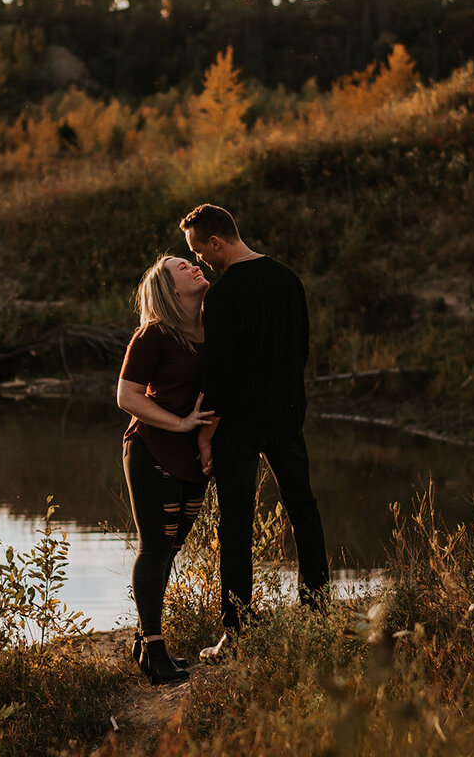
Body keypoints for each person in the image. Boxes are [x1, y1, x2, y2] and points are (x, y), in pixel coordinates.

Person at [179, 203, 330, 661]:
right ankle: (318, 612)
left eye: (198, 250)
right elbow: (301, 349)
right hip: (286, 416)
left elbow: (219, 376)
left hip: (239, 426)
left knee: (236, 525)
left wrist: (205, 434)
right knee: (303, 508)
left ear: (215, 242)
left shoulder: (222, 296)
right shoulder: (289, 279)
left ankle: (237, 631)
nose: (200, 260)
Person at [117, 254, 215, 685]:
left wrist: (205, 438)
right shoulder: (154, 334)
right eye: (182, 267)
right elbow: (127, 396)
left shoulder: (213, 330)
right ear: (169, 289)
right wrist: (179, 424)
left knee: (172, 550)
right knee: (156, 548)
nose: (194, 267)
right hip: (151, 447)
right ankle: (155, 649)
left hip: (192, 455)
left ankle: (143, 640)